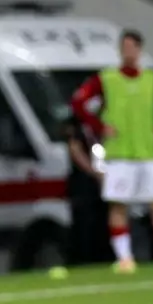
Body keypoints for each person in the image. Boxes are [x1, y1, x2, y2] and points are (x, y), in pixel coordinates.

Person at [70, 29, 153, 271]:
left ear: (139, 50)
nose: (128, 52)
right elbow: (79, 102)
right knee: (119, 206)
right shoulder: (107, 78)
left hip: (146, 152)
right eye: (124, 47)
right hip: (119, 154)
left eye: (132, 47)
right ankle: (125, 258)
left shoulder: (151, 79)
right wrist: (100, 126)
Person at [63, 113, 112, 266]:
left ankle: (108, 258)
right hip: (84, 182)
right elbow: (74, 148)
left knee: (105, 219)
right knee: (85, 223)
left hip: (106, 177)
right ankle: (84, 260)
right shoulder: (79, 121)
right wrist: (93, 171)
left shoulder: (106, 119)